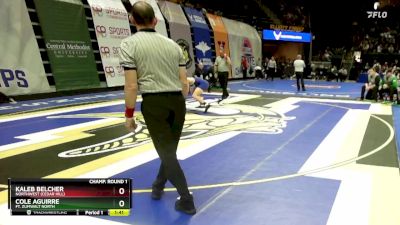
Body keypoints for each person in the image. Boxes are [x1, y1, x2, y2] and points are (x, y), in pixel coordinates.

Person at [119, 1, 195, 215]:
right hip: (178, 103)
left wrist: (128, 115)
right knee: (169, 150)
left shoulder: (128, 44)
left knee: (167, 153)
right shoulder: (173, 45)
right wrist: (178, 102)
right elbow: (184, 82)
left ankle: (187, 199)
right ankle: (158, 185)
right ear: (156, 20)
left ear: (132, 20)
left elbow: (132, 85)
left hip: (154, 103)